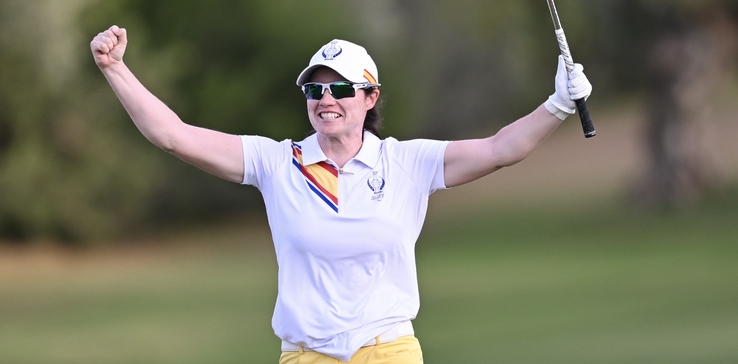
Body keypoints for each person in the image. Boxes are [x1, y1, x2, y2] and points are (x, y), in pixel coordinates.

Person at [90, 25, 592, 363]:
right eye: (315, 91)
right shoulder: (276, 161)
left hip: (387, 351)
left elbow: (500, 149)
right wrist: (115, 68)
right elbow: (174, 135)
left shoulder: (406, 162)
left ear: (370, 96)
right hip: (305, 356)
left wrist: (558, 104)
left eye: (340, 88)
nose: (326, 99)